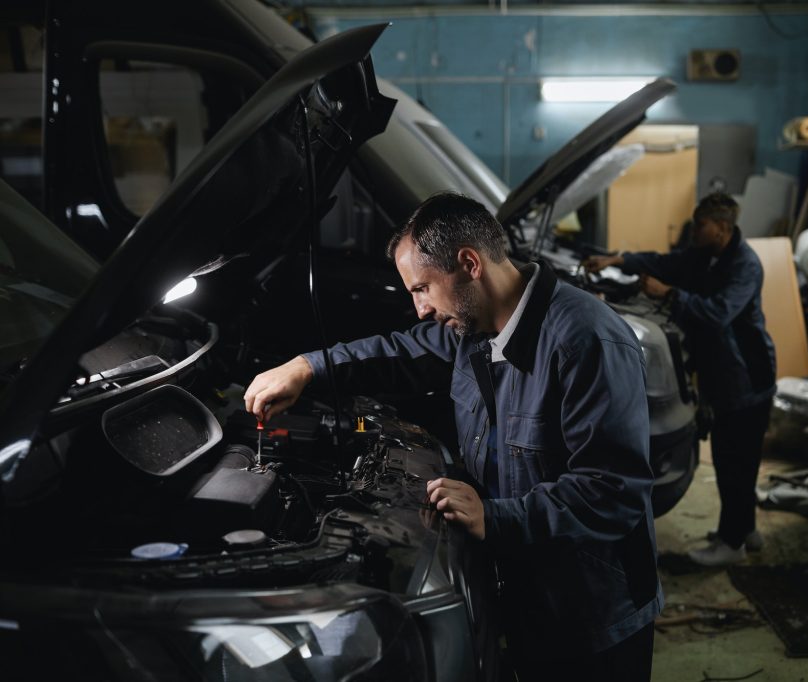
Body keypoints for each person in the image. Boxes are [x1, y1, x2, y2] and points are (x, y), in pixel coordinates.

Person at [244, 192, 662, 681]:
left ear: (469, 264)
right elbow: (396, 353)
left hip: (593, 615)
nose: (419, 309)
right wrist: (306, 367)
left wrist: (496, 517)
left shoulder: (585, 341)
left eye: (422, 288)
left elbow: (613, 491)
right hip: (526, 597)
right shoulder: (476, 330)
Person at [583, 192, 776, 567]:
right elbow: (666, 262)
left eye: (700, 224)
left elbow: (718, 313)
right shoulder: (707, 255)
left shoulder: (744, 265)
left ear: (721, 228)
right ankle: (746, 531)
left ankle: (731, 543)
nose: (693, 229)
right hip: (726, 373)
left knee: (734, 459)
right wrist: (619, 259)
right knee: (740, 459)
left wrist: (670, 294)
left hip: (746, 378)